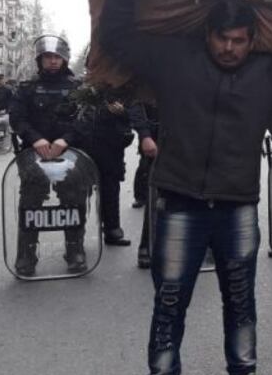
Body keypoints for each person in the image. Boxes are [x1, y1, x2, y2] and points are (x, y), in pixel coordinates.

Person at [99, 0, 272, 375]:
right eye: (222, 38)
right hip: (179, 201)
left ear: (252, 40)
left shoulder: (268, 73)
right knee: (170, 299)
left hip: (236, 204)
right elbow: (119, 38)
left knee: (241, 297)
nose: (230, 48)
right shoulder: (174, 60)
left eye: (239, 40)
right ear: (207, 34)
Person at [9, 35, 88, 276]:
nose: (53, 61)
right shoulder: (27, 88)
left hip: (70, 154)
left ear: (64, 59)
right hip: (35, 154)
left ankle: (75, 251)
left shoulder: (78, 88)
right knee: (30, 205)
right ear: (40, 60)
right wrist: (36, 139)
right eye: (48, 57)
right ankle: (26, 255)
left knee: (73, 203)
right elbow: (17, 118)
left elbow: (85, 118)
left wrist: (66, 140)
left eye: (57, 57)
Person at [82, 93, 137, 247]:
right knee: (78, 194)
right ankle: (75, 237)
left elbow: (136, 115)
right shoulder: (81, 90)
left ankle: (112, 230)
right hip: (84, 146)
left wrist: (123, 112)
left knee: (111, 191)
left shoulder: (122, 90)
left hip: (110, 149)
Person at [130, 102, 159, 269]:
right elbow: (136, 104)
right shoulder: (153, 77)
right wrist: (145, 135)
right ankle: (147, 248)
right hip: (157, 140)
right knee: (155, 196)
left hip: (191, 139)